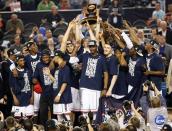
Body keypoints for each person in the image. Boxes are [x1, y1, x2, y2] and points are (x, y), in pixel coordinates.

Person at [78, 40, 108, 119]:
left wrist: (105, 88)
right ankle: (85, 126)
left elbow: (105, 73)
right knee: (84, 111)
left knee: (95, 111)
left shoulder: (102, 58)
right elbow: (73, 59)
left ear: (96, 47)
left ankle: (95, 127)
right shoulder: (84, 56)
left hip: (96, 87)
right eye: (90, 47)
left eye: (93, 46)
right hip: (84, 86)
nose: (91, 48)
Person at [33, 49, 53, 126]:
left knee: (54, 113)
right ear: (41, 57)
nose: (45, 59)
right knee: (42, 113)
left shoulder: (53, 64)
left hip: (53, 93)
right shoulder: (39, 65)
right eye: (44, 57)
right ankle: (44, 128)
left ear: (50, 57)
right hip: (44, 93)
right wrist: (34, 79)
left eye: (47, 57)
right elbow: (35, 76)